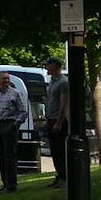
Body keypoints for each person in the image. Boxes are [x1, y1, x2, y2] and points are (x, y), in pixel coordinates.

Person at [0, 71, 29, 193]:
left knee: (9, 156)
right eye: (3, 78)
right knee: (1, 157)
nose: (6, 81)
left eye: (7, 78)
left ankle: (11, 185)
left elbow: (23, 112)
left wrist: (15, 124)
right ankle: (5, 183)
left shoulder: (15, 93)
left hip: (9, 125)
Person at [43, 56, 70, 188]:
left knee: (59, 150)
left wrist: (59, 122)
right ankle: (59, 175)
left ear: (54, 66)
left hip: (58, 120)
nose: (46, 67)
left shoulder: (63, 82)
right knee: (54, 150)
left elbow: (64, 103)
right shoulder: (52, 82)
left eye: (48, 65)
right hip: (50, 119)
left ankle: (64, 177)